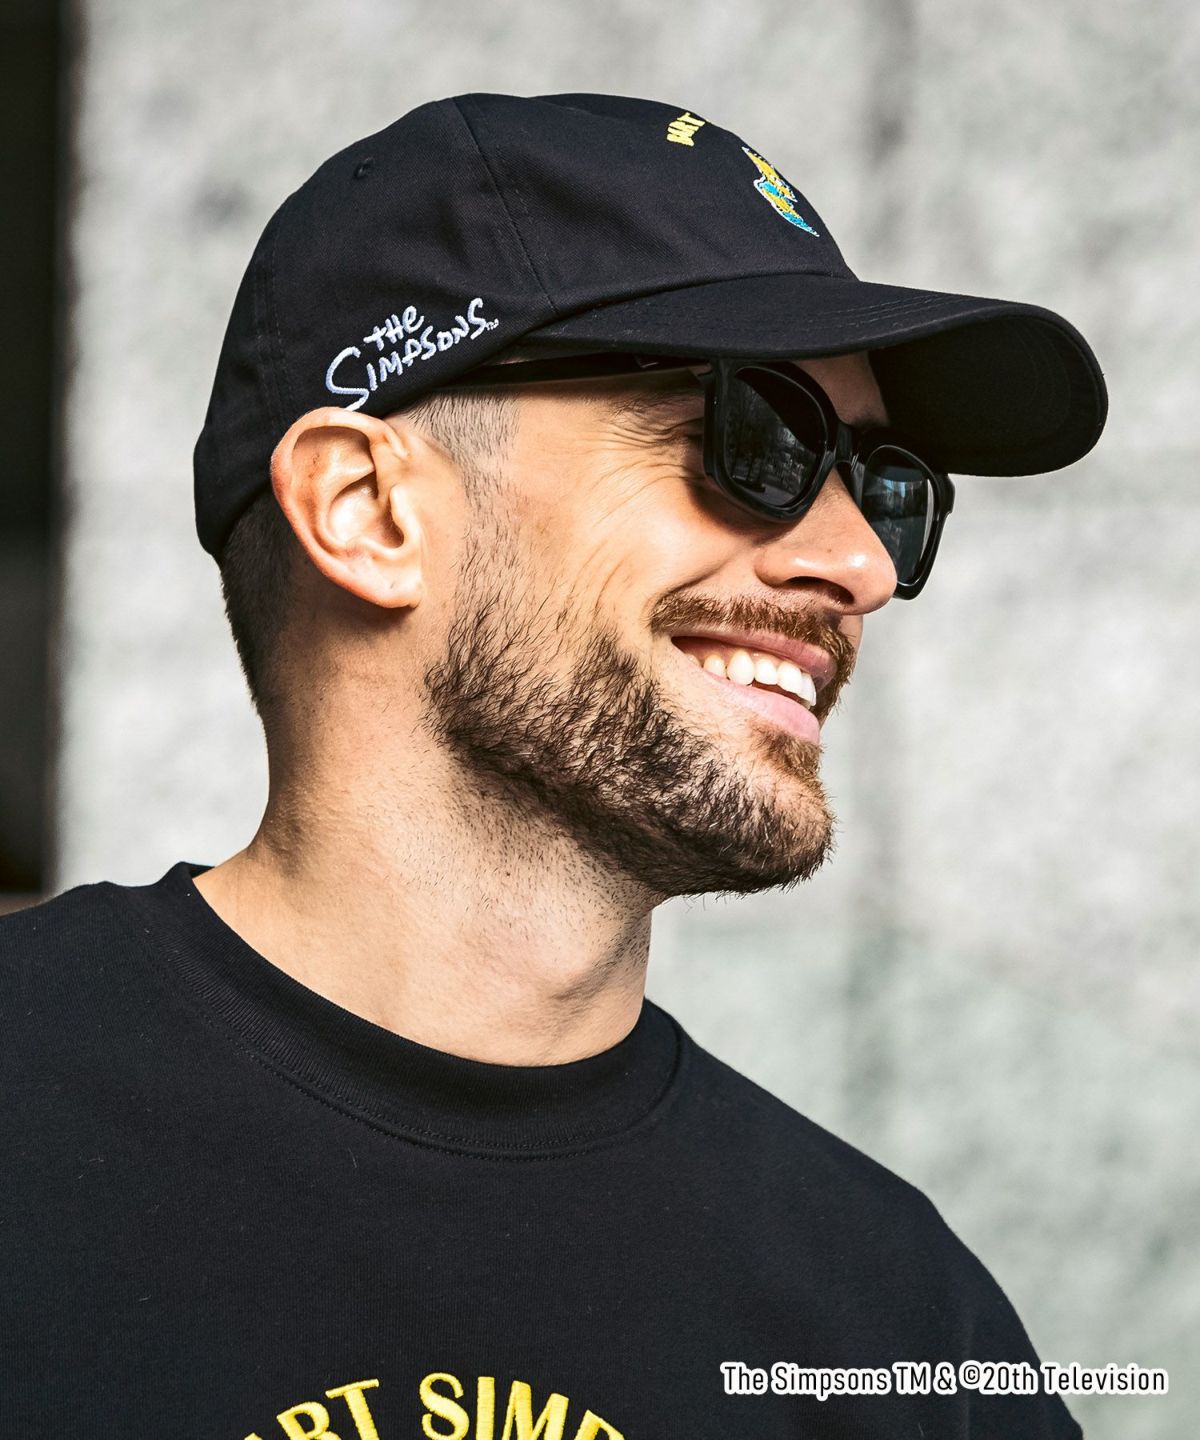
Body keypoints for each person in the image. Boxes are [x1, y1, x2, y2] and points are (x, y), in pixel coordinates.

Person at [3, 92, 1105, 1437]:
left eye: (883, 483)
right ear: (368, 511)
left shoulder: (901, 1325)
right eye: (755, 438)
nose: (861, 564)